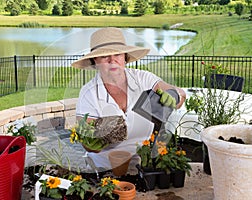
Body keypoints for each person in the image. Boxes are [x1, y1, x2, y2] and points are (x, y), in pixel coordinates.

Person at [71, 27, 186, 172]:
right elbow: (88, 145)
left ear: (124, 57)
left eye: (117, 54)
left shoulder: (143, 79)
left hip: (144, 164)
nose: (112, 60)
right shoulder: (89, 93)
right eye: (105, 56)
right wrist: (96, 139)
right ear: (95, 60)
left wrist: (175, 95)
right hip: (104, 168)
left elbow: (178, 93)